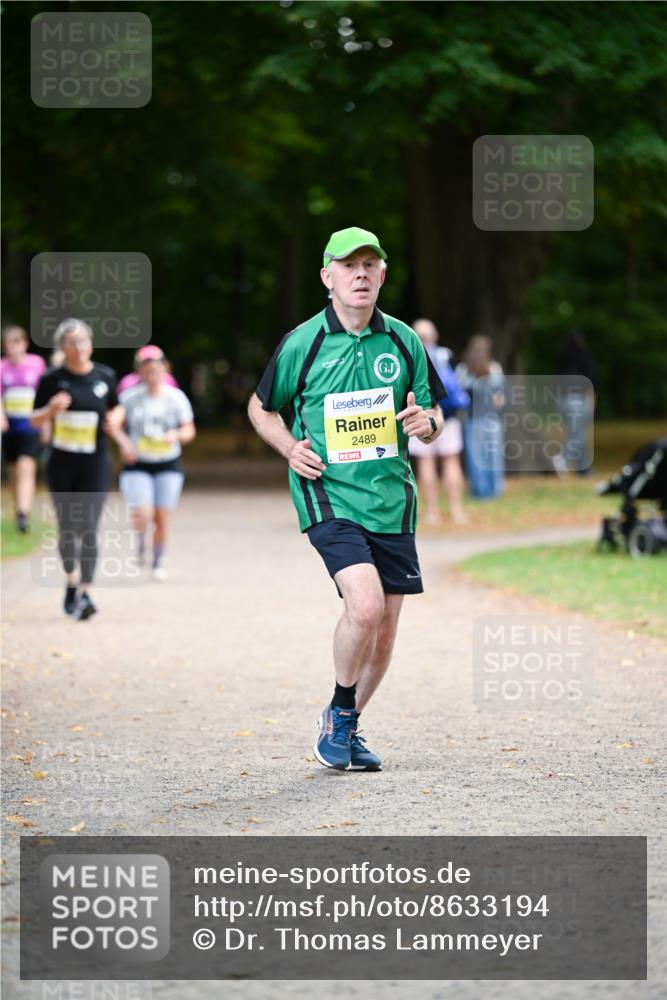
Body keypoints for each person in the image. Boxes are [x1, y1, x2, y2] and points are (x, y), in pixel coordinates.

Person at [248, 226, 446, 772]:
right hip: (328, 494)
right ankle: (340, 715)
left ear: (382, 275)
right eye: (348, 266)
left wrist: (425, 424)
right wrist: (290, 448)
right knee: (365, 605)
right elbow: (260, 408)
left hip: (391, 500)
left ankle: (344, 728)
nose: (360, 275)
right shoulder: (303, 342)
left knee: (384, 635)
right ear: (327, 277)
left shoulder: (404, 341)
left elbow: (433, 415)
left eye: (370, 266)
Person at [30, 319, 122, 620]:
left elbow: (116, 407)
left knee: (90, 528)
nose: (79, 347)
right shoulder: (52, 379)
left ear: (90, 343)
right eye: (71, 343)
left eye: (83, 341)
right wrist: (50, 410)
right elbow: (33, 420)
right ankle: (70, 581)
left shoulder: (105, 376)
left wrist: (116, 419)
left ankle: (85, 592)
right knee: (68, 529)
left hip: (95, 462)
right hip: (62, 463)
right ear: (63, 348)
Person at [112, 348, 195, 580]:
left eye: (156, 369)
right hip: (137, 463)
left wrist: (176, 436)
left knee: (161, 516)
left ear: (164, 369)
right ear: (139, 372)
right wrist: (124, 443)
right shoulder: (129, 397)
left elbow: (189, 429)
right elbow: (113, 423)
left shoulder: (176, 397)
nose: (152, 374)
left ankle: (158, 559)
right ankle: (141, 540)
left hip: (167, 463)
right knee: (143, 512)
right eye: (147, 370)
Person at [408, 319, 468, 525]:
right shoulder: (446, 354)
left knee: (426, 463)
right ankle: (456, 510)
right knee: (451, 461)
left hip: (420, 417)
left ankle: (432, 513)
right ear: (434, 336)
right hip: (448, 416)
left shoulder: (410, 355)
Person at [1, 325, 46, 532]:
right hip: (11, 427)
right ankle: (18, 508)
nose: (13, 348)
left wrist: (47, 424)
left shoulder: (36, 365)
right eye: (9, 344)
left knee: (26, 467)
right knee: (14, 471)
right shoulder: (2, 367)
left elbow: (45, 396)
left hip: (31, 426)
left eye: (16, 342)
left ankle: (23, 514)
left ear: (24, 344)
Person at [456, 335, 505, 499]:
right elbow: (500, 399)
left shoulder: (463, 370)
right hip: (492, 419)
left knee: (476, 457)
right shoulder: (494, 368)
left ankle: (479, 491)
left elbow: (458, 395)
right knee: (493, 455)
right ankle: (495, 490)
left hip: (472, 419)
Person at [555, 328, 597, 474]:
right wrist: (591, 400)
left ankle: (584, 468)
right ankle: (562, 459)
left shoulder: (561, 356)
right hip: (578, 400)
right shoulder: (585, 356)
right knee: (577, 434)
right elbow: (590, 380)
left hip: (562, 400)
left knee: (578, 432)